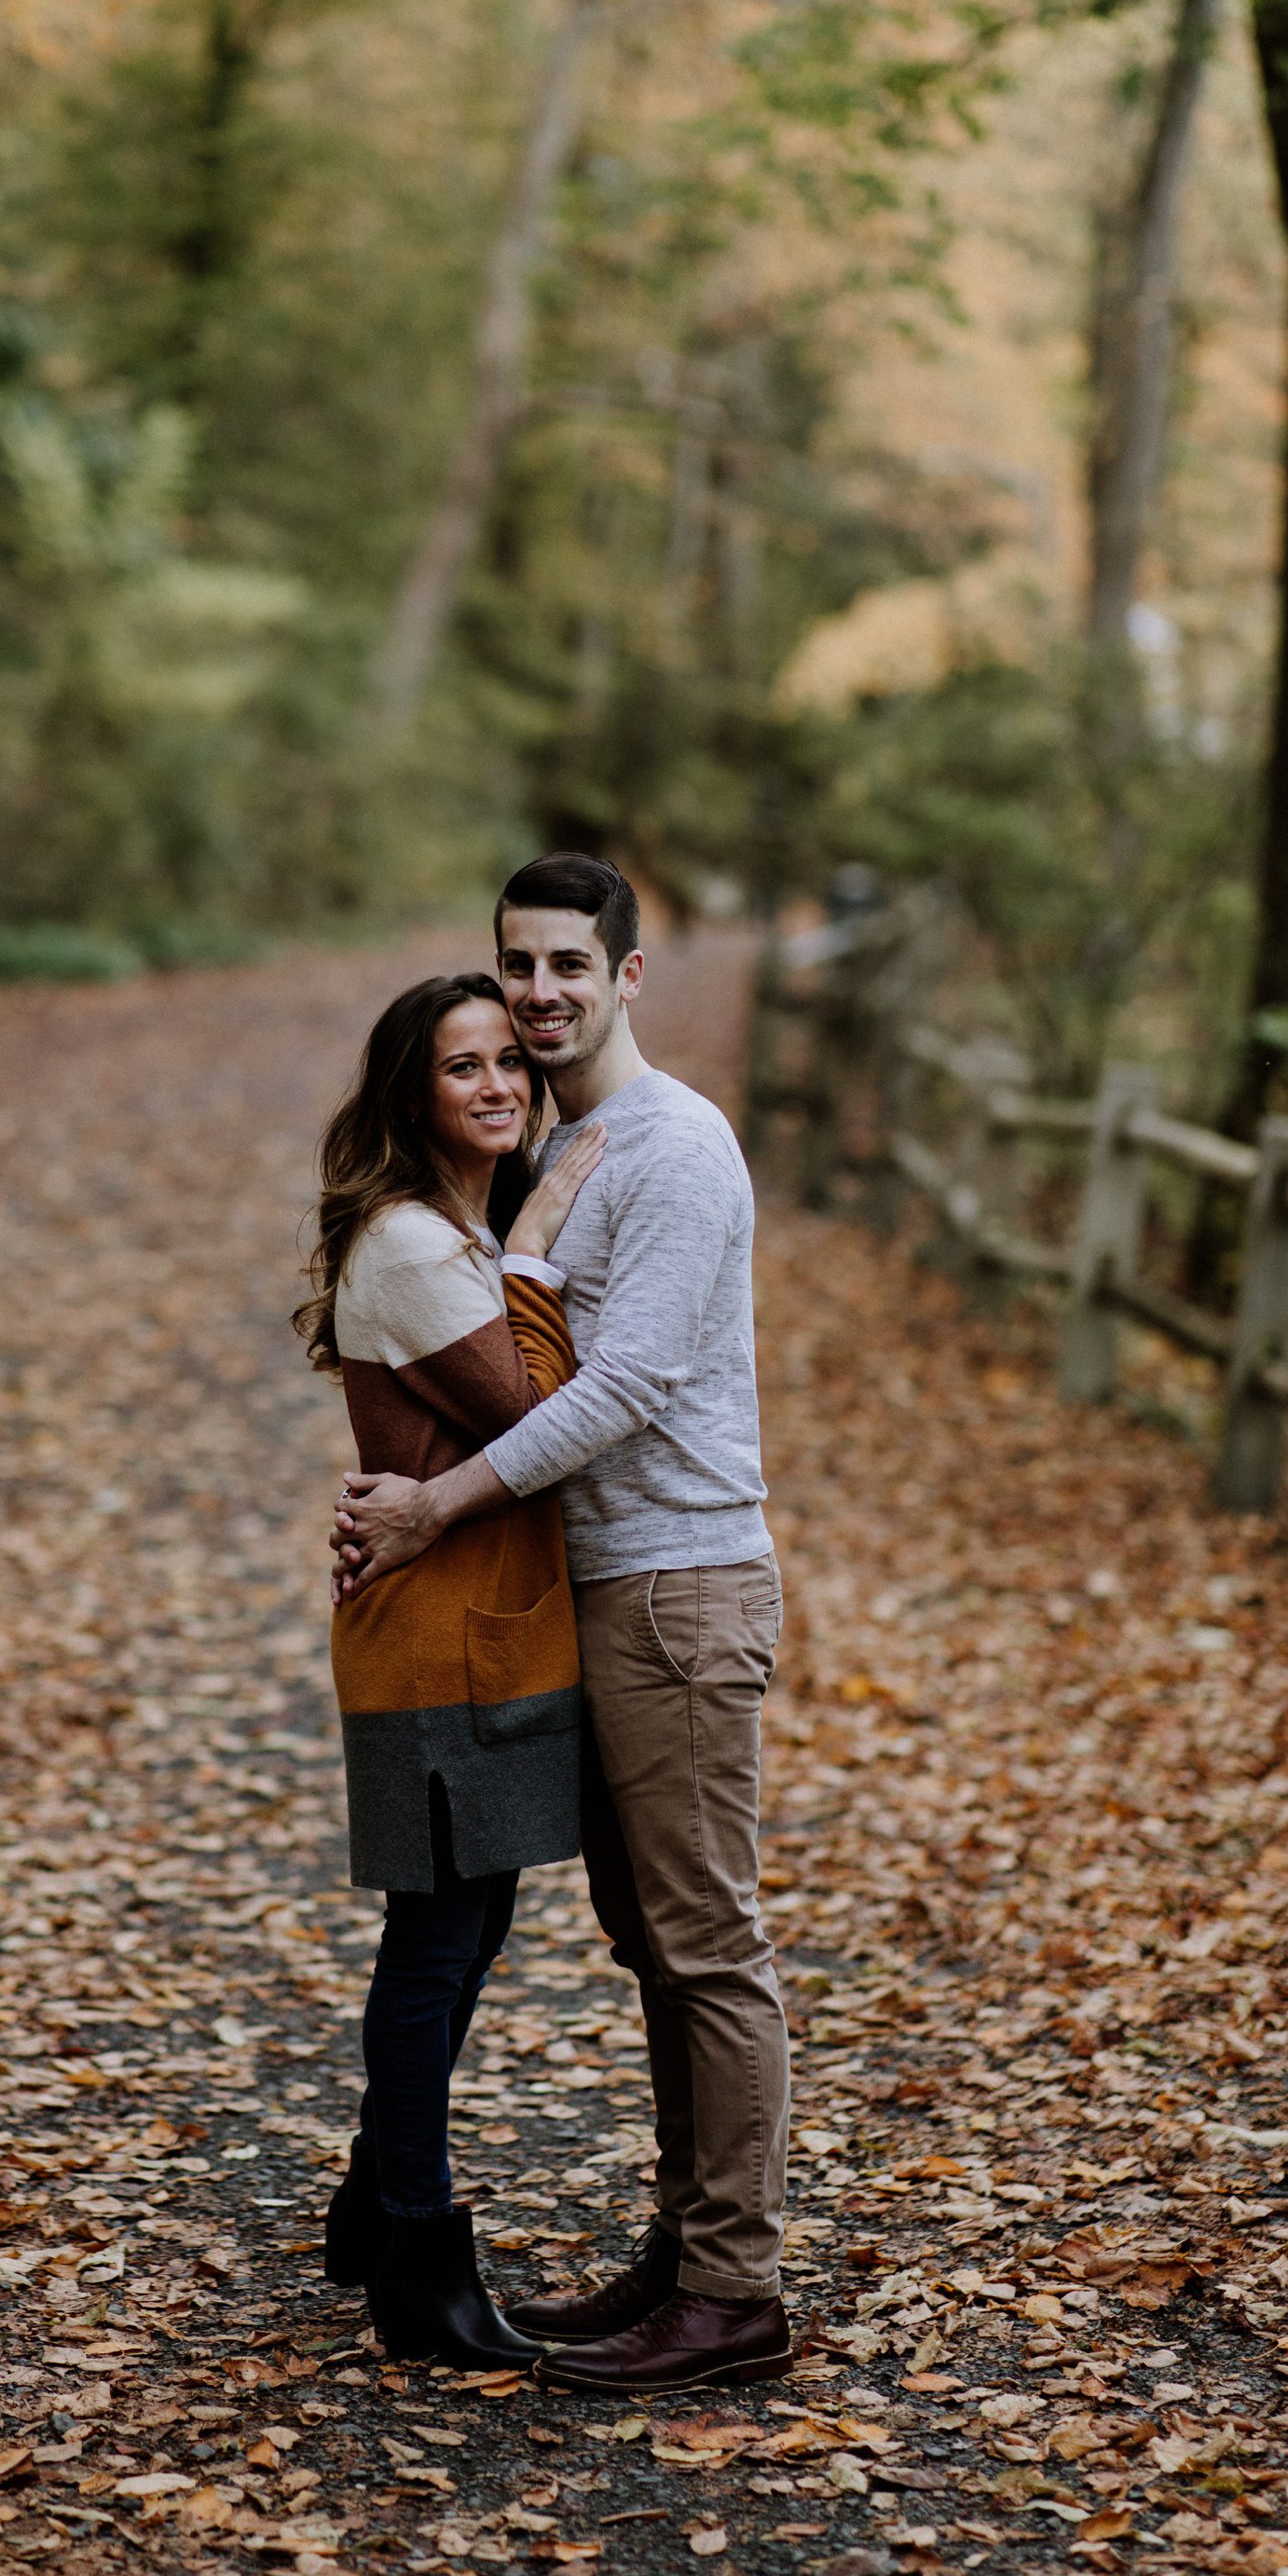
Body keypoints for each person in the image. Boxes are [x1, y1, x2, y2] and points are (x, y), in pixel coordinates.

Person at [331, 856, 793, 2396]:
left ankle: (733, 2286)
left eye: (567, 968)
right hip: (596, 1594)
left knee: (702, 1937)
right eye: (516, 964)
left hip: (676, 1580)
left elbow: (621, 1389)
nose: (537, 994)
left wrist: (434, 1504)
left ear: (628, 976)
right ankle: (687, 2247)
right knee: (647, 1933)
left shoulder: (670, 1145)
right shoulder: (565, 1142)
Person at [295, 971, 605, 2371]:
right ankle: (415, 2251)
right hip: (437, 1637)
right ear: (411, 1095)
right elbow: (548, 1416)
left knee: (465, 1934)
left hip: (481, 1624)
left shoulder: (444, 1235)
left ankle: (373, 2201)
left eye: (507, 1065)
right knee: (437, 1944)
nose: (496, 1085)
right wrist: (535, 1246)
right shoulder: (422, 1246)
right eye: (459, 1066)